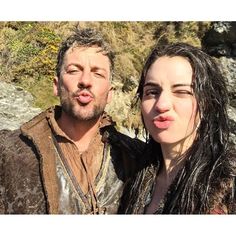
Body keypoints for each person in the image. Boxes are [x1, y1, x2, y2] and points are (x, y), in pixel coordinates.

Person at [0, 28, 145, 214]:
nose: (85, 80)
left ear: (110, 93)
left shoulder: (139, 161)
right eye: (74, 70)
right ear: (57, 85)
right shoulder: (7, 152)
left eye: (98, 73)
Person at [121, 42, 236, 214]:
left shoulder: (228, 183)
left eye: (182, 92)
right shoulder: (136, 176)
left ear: (207, 103)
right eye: (152, 92)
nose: (162, 105)